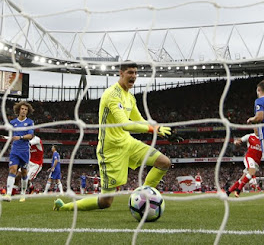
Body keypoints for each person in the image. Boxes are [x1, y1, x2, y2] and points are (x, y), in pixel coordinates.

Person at [54, 61, 171, 211]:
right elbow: (125, 124)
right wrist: (152, 129)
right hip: (110, 149)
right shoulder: (111, 94)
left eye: (135, 73)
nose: (134, 76)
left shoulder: (129, 97)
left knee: (163, 162)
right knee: (105, 202)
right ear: (121, 73)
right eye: (130, 72)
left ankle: (142, 198)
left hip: (128, 143)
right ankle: (65, 207)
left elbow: (139, 120)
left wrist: (158, 128)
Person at [3, 101, 34, 202]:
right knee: (12, 170)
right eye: (22, 109)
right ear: (19, 110)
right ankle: (8, 194)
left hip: (25, 151)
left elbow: (30, 136)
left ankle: (23, 194)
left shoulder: (30, 122)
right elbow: (12, 136)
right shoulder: (13, 123)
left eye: (26, 109)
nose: (24, 111)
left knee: (24, 173)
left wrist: (20, 137)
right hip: (15, 150)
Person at [226, 129, 261, 197]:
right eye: (256, 127)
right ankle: (238, 191)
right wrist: (237, 142)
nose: (258, 129)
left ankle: (228, 192)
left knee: (242, 179)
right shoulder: (250, 136)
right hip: (249, 158)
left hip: (257, 161)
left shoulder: (263, 139)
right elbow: (240, 140)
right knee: (251, 172)